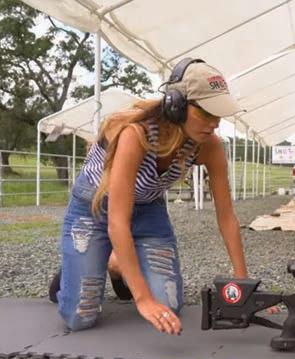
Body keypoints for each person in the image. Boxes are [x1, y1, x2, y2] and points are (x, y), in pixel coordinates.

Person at [49, 58, 247, 335]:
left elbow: (226, 217)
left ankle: (116, 264)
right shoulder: (136, 135)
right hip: (94, 207)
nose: (214, 124)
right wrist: (142, 299)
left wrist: (244, 284)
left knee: (169, 304)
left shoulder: (209, 146)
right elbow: (117, 222)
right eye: (205, 113)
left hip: (147, 208)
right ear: (176, 106)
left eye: (219, 116)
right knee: (80, 317)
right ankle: (81, 269)